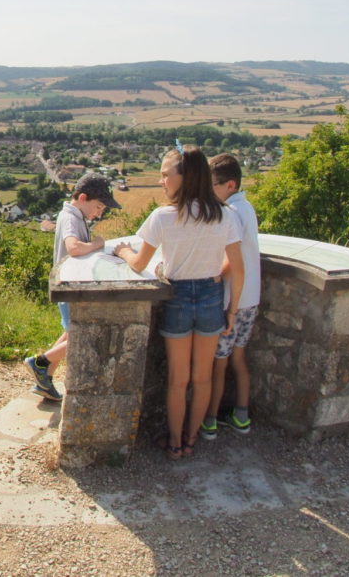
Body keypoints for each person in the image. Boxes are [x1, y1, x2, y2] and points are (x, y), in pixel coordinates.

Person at [113, 145, 243, 461]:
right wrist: (232, 311)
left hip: (179, 299)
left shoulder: (164, 217)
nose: (161, 181)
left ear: (184, 177)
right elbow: (237, 268)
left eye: (165, 175)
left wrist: (122, 252)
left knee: (177, 380)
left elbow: (139, 263)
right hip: (212, 299)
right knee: (202, 378)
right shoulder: (224, 215)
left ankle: (174, 443)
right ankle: (191, 439)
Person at [24, 173, 120, 401]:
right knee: (81, 336)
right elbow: (74, 247)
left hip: (70, 284)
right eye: (98, 207)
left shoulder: (74, 215)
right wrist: (97, 243)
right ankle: (40, 362)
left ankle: (44, 380)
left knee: (71, 332)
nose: (100, 212)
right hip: (69, 287)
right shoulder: (70, 218)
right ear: (83, 197)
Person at [200, 153, 260, 438]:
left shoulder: (231, 213)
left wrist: (211, 274)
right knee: (239, 359)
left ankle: (210, 419)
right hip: (251, 299)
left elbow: (232, 260)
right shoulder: (247, 207)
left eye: (214, 186)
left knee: (219, 366)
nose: (210, 191)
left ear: (231, 185)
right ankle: (242, 415)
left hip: (231, 301)